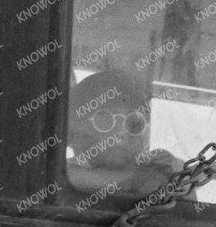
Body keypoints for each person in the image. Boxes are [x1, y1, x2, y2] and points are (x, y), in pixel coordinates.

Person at [66, 68, 182, 197]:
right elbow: (65, 176)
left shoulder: (159, 163)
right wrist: (134, 180)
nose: (120, 133)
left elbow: (189, 177)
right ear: (79, 130)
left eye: (134, 124)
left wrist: (166, 173)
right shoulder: (64, 173)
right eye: (105, 120)